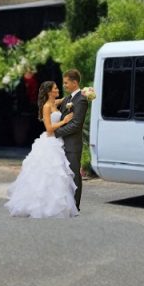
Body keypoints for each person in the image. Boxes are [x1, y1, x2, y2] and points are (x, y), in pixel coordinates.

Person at [4, 81, 78, 218]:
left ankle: (56, 205)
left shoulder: (55, 103)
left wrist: (82, 92)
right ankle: (40, 205)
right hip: (50, 142)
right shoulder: (46, 107)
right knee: (46, 174)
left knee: (58, 175)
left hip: (58, 141)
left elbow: (69, 98)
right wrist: (64, 121)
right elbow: (49, 129)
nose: (58, 89)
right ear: (49, 91)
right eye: (55, 88)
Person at [55, 69, 89, 210]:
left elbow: (76, 125)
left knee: (74, 175)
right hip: (62, 144)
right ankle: (65, 202)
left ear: (75, 83)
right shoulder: (68, 99)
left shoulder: (81, 99)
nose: (64, 86)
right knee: (64, 175)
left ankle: (75, 205)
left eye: (66, 83)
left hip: (72, 145)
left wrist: (57, 132)